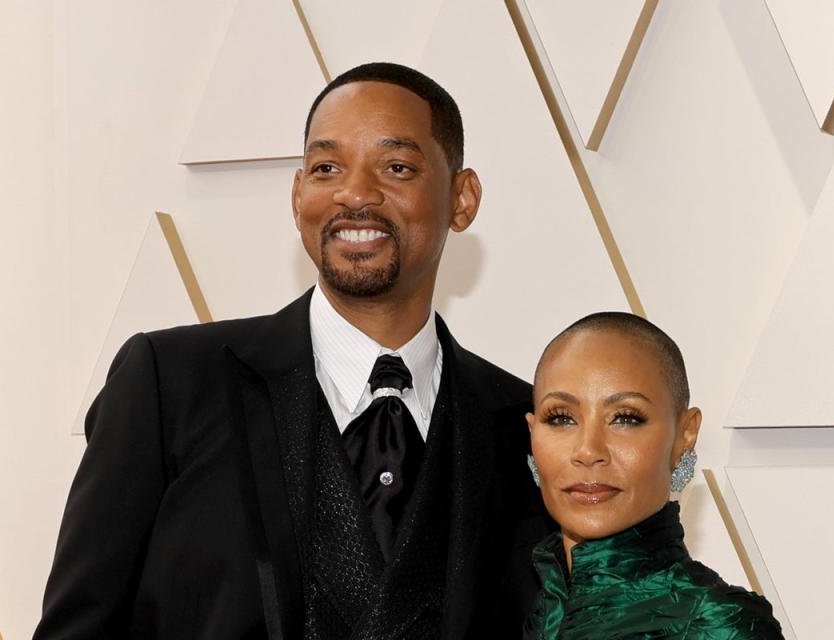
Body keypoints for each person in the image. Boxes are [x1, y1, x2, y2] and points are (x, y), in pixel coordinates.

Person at [34, 63, 552, 640]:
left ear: (462, 198)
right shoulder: (168, 383)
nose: (355, 193)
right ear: (299, 192)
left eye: (397, 167)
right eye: (327, 167)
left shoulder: (528, 425)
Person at [523, 313, 783, 639]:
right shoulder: (542, 611)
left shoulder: (718, 626)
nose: (588, 450)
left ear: (685, 435)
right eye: (561, 418)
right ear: (532, 435)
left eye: (626, 418)